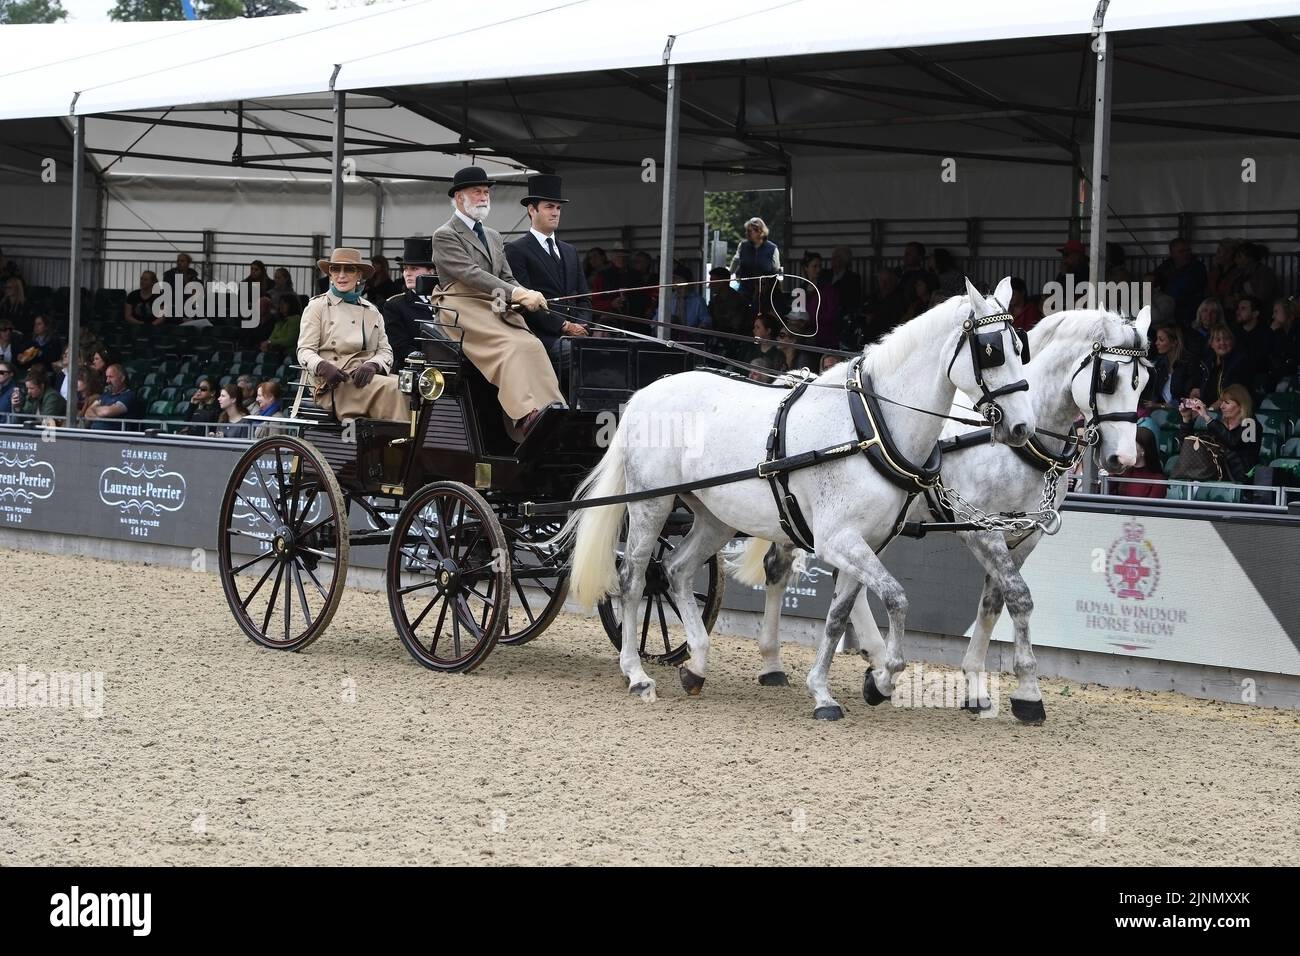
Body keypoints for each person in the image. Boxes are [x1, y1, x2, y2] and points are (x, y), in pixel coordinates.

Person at [429, 166, 565, 439]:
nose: (483, 197)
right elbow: (470, 274)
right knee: (511, 346)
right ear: (459, 197)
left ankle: (553, 407)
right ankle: (524, 414)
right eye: (476, 191)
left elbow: (506, 276)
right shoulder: (445, 234)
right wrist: (517, 294)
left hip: (493, 302)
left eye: (486, 192)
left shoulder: (492, 235)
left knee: (531, 343)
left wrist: (527, 294)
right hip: (461, 304)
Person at [297, 248, 407, 423]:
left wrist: (373, 365)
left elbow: (386, 351)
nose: (341, 275)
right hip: (334, 383)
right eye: (335, 269)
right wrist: (323, 367)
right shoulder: (317, 307)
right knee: (395, 389)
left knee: (411, 388)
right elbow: (304, 351)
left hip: (367, 378)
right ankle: (402, 446)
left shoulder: (372, 311)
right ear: (330, 276)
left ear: (359, 276)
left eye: (349, 269)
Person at [504, 174, 591, 367]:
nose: (555, 213)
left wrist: (582, 325)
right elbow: (524, 303)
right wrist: (565, 326)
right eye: (549, 207)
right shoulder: (516, 250)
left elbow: (585, 298)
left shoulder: (570, 251)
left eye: (558, 208)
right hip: (542, 337)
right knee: (581, 356)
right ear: (532, 210)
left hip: (577, 335)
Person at [1179, 385, 1260, 484]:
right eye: (1221, 402)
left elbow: (1234, 443)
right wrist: (1186, 419)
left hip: (1240, 480)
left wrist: (1206, 417)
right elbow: (1189, 445)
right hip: (1215, 476)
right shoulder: (1219, 425)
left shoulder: (1250, 423)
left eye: (1227, 402)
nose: (1222, 406)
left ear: (1241, 405)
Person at [382, 237, 438, 366]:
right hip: (414, 369)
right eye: (405, 269)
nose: (407, 273)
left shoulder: (448, 302)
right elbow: (399, 346)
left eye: (414, 268)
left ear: (431, 271)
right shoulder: (395, 305)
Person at [728, 217, 781, 310]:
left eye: (749, 231)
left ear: (760, 231)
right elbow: (735, 261)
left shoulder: (772, 248)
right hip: (745, 290)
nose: (746, 233)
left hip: (765, 294)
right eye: (746, 231)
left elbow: (776, 269)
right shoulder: (743, 246)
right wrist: (729, 274)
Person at [1155, 237, 1207, 327]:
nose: (1186, 254)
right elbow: (1153, 279)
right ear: (1172, 254)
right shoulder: (1165, 267)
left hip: (1188, 312)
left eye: (1188, 250)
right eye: (1181, 251)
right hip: (1167, 312)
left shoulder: (1197, 268)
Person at [1191, 325, 1249, 405]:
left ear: (1232, 342)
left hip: (1227, 409)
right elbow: (1197, 388)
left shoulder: (1239, 363)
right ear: (1211, 344)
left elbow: (1232, 395)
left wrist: (1209, 411)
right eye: (1218, 340)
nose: (1222, 343)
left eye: (1226, 339)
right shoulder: (1207, 363)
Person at [1143, 324, 1193, 409]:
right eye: (1157, 339)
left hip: (1182, 413)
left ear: (1174, 343)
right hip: (1160, 413)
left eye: (1161, 340)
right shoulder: (1159, 364)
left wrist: (1160, 406)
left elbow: (1187, 398)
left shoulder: (1188, 364)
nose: (1156, 343)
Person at [1112, 426, 1167, 498]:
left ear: (1143, 451)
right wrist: (1114, 468)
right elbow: (1102, 495)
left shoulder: (1158, 480)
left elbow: (1152, 507)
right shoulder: (1123, 472)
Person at [707, 266, 750, 355]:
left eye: (714, 281)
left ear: (724, 282)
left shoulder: (738, 301)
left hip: (734, 345)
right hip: (716, 343)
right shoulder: (714, 301)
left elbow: (737, 326)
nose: (710, 284)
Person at [1232, 295, 1273, 383]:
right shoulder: (1233, 333)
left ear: (1255, 313)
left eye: (1243, 309)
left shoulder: (1266, 334)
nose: (1238, 312)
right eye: (1238, 308)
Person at [84, 363, 134, 430]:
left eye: (111, 377)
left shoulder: (128, 396)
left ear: (122, 378)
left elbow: (107, 412)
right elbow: (87, 413)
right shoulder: (105, 395)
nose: (107, 381)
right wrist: (102, 414)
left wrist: (95, 409)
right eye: (107, 377)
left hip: (113, 437)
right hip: (94, 434)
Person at [666, 265, 709, 341]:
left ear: (685, 281)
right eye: (672, 278)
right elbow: (656, 319)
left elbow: (706, 320)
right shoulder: (668, 298)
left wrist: (697, 331)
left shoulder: (698, 300)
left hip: (691, 339)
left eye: (676, 278)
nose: (672, 281)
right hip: (669, 339)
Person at [1268, 297, 1300, 387]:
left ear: (1288, 312)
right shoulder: (1278, 331)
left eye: (1276, 312)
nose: (1273, 316)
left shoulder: (1297, 330)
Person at [828, 247, 862, 321]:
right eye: (833, 256)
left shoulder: (853, 278)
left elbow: (854, 301)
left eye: (836, 257)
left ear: (844, 260)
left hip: (842, 316)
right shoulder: (825, 274)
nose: (832, 259)